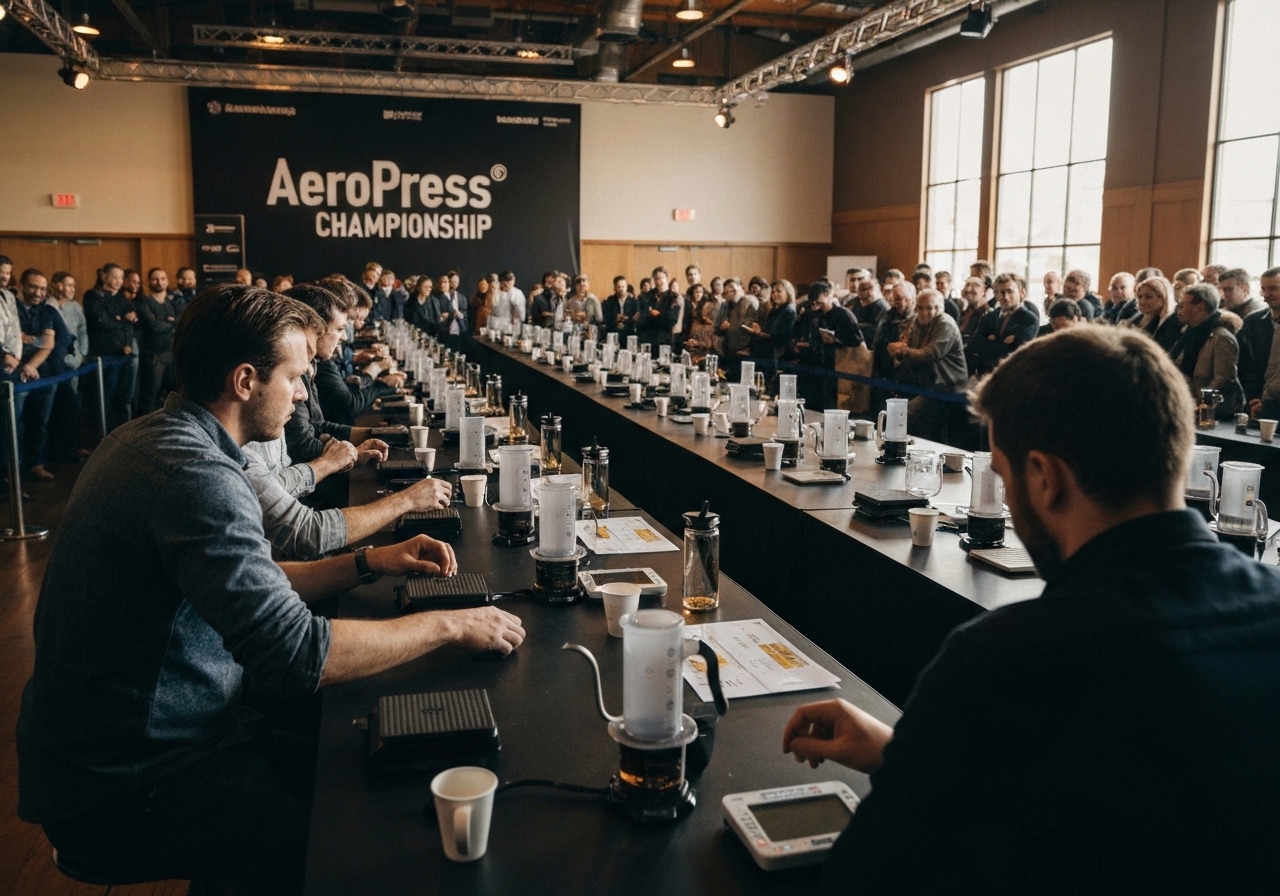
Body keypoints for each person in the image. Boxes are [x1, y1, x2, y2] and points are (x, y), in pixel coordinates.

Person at [17, 284, 525, 895]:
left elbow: (251, 579)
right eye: (295, 377)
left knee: (358, 751)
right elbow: (296, 655)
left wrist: (367, 561)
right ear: (244, 381)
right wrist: (451, 624)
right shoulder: (195, 473)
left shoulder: (161, 438)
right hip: (126, 781)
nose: (305, 392)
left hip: (142, 745)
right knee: (365, 836)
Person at [785, 324, 1280, 894]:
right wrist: (912, 756)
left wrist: (926, 756)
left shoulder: (1006, 660)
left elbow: (865, 878)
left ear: (1044, 478)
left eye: (1002, 474)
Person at [887, 288, 967, 441]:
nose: (924, 312)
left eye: (930, 308)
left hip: (949, 386)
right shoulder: (917, 322)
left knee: (908, 416)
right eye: (920, 308)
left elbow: (930, 354)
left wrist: (902, 350)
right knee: (898, 414)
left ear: (940, 308)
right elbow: (913, 350)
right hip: (927, 385)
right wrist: (897, 351)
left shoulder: (946, 324)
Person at [14, 269, 68, 481]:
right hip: (15, 374)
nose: (38, 292)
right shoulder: (10, 309)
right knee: (14, 423)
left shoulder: (49, 312)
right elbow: (10, 343)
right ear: (22, 286)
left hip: (44, 374)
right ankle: (13, 471)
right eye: (33, 287)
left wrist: (31, 350)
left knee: (40, 421)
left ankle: (36, 463)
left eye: (43, 289)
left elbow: (49, 344)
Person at [1170, 282, 1242, 418]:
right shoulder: (1188, 333)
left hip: (1212, 412)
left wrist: (1202, 405)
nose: (1178, 310)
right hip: (1187, 404)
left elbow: (1223, 379)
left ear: (1200, 306)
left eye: (1182, 305)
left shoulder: (1221, 337)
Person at [83, 262, 137, 432]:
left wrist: (119, 320)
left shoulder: (122, 299)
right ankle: (104, 436)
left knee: (125, 398)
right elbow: (100, 321)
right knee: (105, 398)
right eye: (115, 277)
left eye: (121, 277)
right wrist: (121, 319)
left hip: (125, 355)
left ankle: (124, 435)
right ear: (103, 276)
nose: (119, 281)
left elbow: (132, 322)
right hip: (105, 356)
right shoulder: (92, 296)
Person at [796, 280, 862, 411]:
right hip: (813, 366)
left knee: (829, 406)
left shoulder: (843, 314)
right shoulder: (811, 314)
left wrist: (836, 340)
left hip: (836, 366)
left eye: (820, 303)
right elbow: (798, 332)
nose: (817, 307)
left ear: (830, 297)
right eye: (813, 303)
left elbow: (857, 339)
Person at [48, 271, 89, 462]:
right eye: (68, 285)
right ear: (57, 285)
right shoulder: (49, 306)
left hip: (75, 362)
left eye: (74, 285)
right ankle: (61, 451)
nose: (72, 289)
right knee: (61, 407)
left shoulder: (75, 306)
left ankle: (73, 447)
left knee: (73, 406)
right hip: (56, 364)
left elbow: (82, 330)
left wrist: (81, 354)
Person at [967, 272, 1039, 377]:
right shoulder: (990, 316)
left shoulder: (1029, 319)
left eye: (1009, 291)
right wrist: (1003, 343)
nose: (1004, 297)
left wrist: (991, 340)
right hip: (985, 375)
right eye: (1000, 292)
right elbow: (974, 345)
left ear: (1022, 293)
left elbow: (1016, 352)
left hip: (1013, 376)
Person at [1237, 266, 1280, 420]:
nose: (1267, 295)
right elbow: (1245, 364)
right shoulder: (1252, 321)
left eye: (1273, 289)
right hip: (1256, 401)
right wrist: (1254, 398)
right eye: (1263, 289)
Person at [135, 268, 178, 413]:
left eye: (162, 278)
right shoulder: (143, 302)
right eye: (155, 279)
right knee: (150, 397)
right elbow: (154, 326)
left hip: (171, 355)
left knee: (175, 397)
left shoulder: (173, 302)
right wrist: (171, 322)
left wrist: (164, 320)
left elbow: (182, 320)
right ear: (149, 282)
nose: (159, 282)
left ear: (167, 281)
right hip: (153, 356)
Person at [746, 278, 797, 375]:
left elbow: (780, 337)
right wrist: (759, 330)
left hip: (778, 356)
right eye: (773, 292)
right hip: (768, 352)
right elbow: (768, 330)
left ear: (788, 292)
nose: (775, 294)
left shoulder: (788, 311)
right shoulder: (775, 310)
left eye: (779, 291)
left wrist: (760, 334)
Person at [715, 277, 758, 381]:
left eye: (732, 289)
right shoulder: (726, 306)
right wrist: (722, 327)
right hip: (728, 352)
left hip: (742, 352)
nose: (730, 293)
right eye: (727, 292)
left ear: (740, 288)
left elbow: (746, 328)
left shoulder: (748, 303)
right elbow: (717, 329)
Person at [1127, 276, 1182, 353]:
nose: (1142, 302)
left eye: (1148, 297)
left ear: (1163, 297)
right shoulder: (1139, 318)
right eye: (1140, 297)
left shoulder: (1175, 320)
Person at [637, 267, 679, 355]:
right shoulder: (646, 296)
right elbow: (643, 318)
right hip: (649, 338)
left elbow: (671, 319)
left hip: (665, 339)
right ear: (654, 280)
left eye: (662, 278)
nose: (660, 281)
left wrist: (656, 314)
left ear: (667, 278)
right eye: (657, 278)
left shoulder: (673, 297)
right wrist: (660, 315)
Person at [429, 272, 468, 350]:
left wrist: (459, 315)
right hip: (442, 332)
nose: (454, 283)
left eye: (456, 282)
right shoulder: (436, 297)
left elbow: (465, 314)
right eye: (441, 282)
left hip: (457, 331)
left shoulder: (461, 297)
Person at [851, 276, 889, 343]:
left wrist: (856, 326)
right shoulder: (857, 303)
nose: (863, 303)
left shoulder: (881, 306)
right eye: (862, 299)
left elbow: (877, 330)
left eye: (867, 299)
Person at [957, 275, 992, 344]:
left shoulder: (989, 315)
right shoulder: (961, 312)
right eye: (967, 285)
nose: (968, 289)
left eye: (975, 286)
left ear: (984, 291)